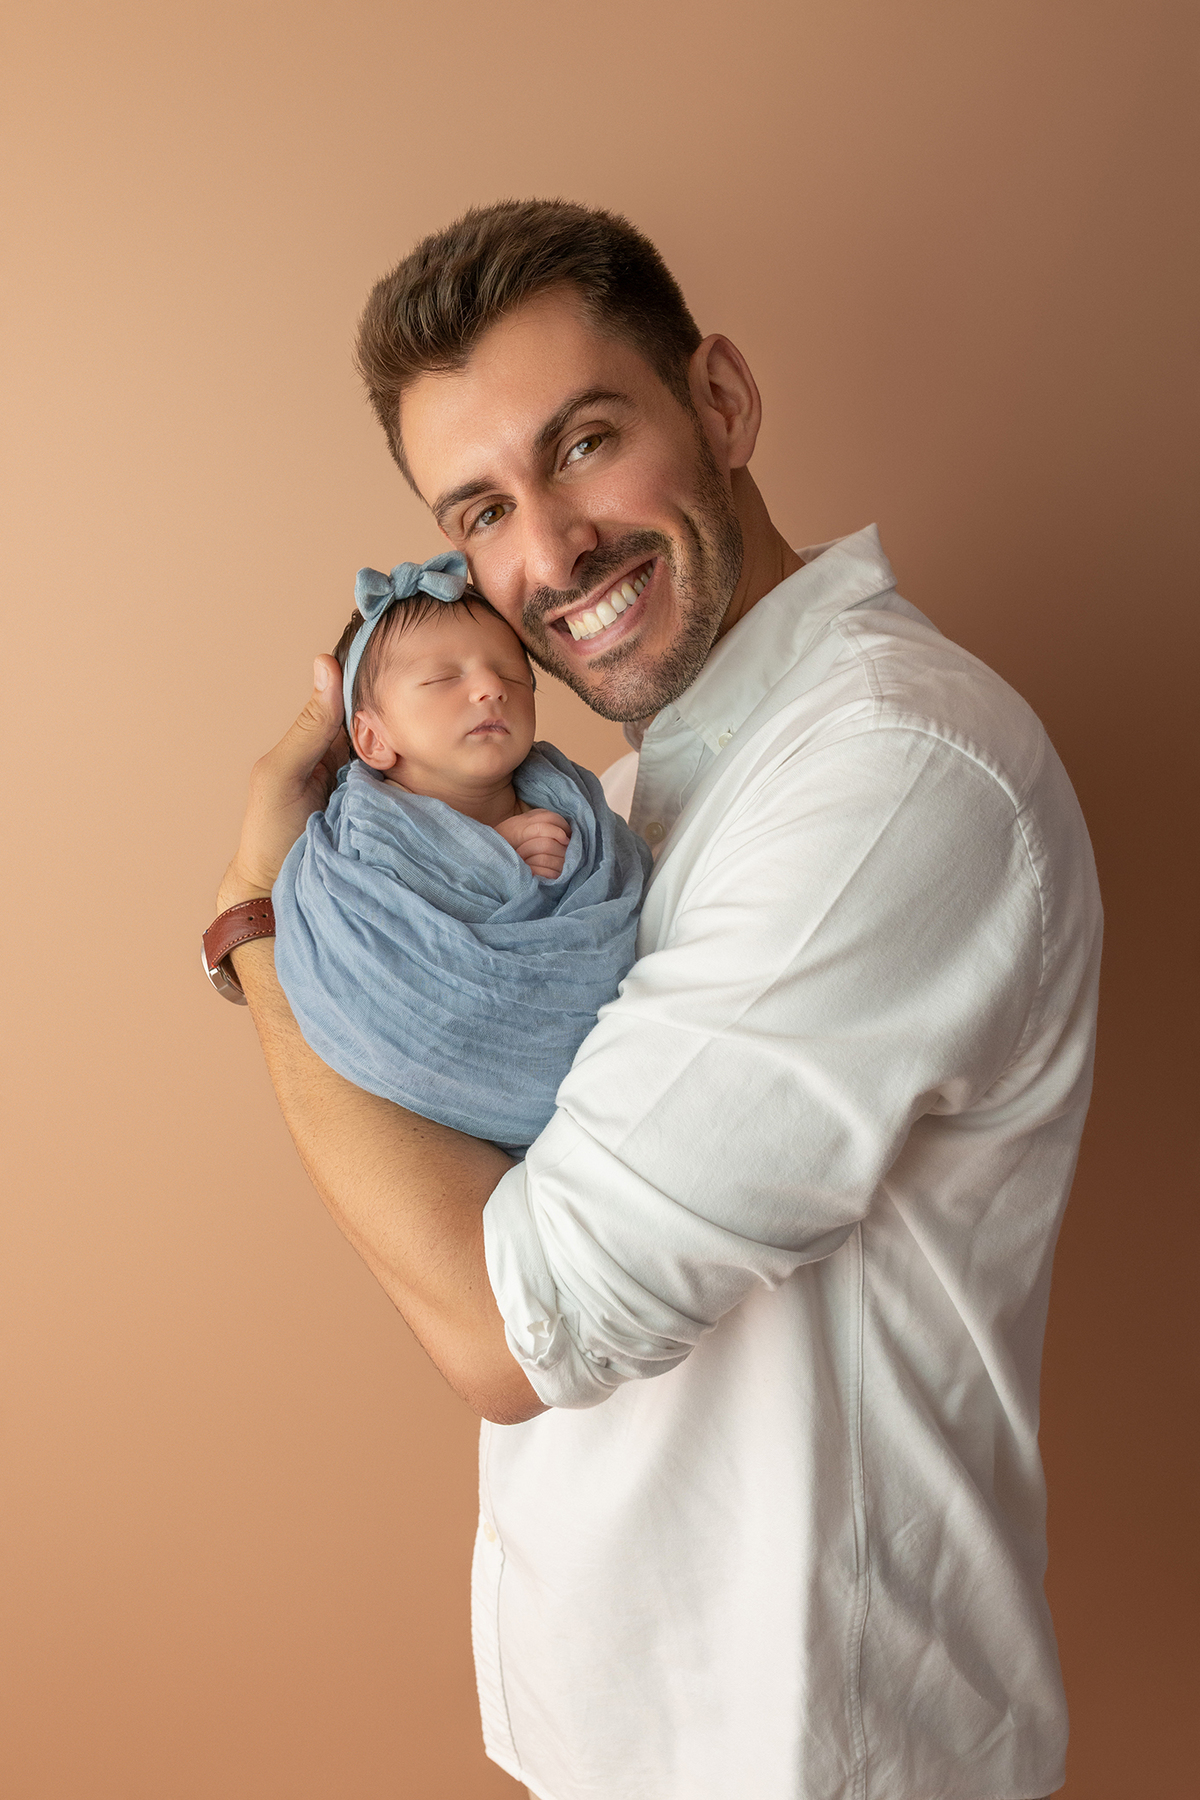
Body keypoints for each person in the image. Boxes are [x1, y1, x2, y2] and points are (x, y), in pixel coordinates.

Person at [207, 200, 1100, 1800]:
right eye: (479, 508)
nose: (546, 556)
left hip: (808, 1751)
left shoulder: (886, 778)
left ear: (727, 404)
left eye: (586, 443)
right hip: (645, 1734)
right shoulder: (625, 812)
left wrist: (261, 914)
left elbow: (508, 1327)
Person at [271, 551, 650, 1158]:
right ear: (371, 737)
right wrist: (493, 856)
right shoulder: (366, 835)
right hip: (453, 1101)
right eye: (444, 679)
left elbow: (625, 908)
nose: (490, 689)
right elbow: (383, 942)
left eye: (511, 674)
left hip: (621, 1094)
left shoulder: (576, 803)